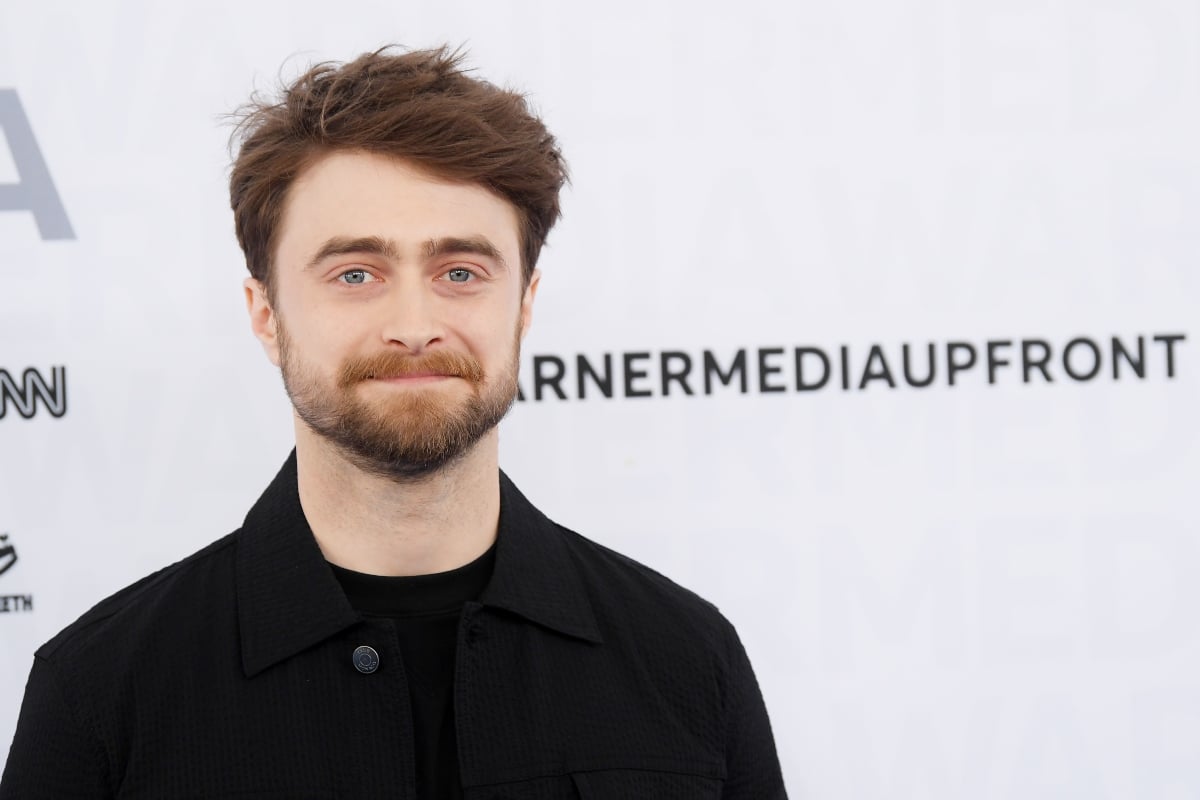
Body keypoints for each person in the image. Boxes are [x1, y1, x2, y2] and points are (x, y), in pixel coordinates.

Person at [0, 46, 787, 799]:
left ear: (524, 307)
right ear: (266, 315)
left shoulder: (689, 661)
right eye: (355, 273)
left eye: (460, 272)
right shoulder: (99, 695)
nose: (414, 326)